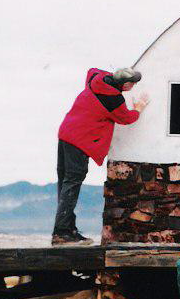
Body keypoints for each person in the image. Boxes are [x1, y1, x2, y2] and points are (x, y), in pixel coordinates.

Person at [53, 67, 148, 245]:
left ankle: (66, 230)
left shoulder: (97, 78)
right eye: (133, 84)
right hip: (80, 140)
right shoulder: (113, 99)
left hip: (66, 133)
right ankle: (62, 234)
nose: (133, 87)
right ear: (126, 85)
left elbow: (92, 69)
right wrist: (138, 108)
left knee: (65, 184)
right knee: (72, 183)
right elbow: (126, 118)